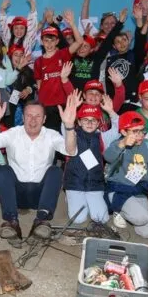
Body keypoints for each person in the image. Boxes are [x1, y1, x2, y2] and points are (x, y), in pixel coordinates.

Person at [0, 95, 79, 242]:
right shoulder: (14, 133)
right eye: (29, 115)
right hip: (16, 195)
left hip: (41, 196)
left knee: (55, 171)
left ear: (44, 119)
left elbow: (71, 151)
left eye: (38, 116)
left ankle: (41, 220)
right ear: (23, 117)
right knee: (3, 170)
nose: (33, 120)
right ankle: (12, 221)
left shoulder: (51, 135)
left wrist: (69, 126)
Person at [63, 97, 121, 234]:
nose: (89, 123)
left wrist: (111, 111)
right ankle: (71, 196)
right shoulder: (72, 134)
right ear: (78, 122)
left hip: (95, 184)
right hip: (74, 183)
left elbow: (118, 129)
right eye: (85, 119)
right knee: (78, 219)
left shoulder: (102, 137)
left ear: (98, 124)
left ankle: (88, 201)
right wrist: (72, 110)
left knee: (101, 218)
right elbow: (65, 125)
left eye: (93, 120)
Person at [104, 111, 148, 239]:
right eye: (135, 131)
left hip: (138, 189)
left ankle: (130, 209)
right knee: (142, 217)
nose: (140, 135)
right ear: (124, 132)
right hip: (119, 188)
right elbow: (108, 157)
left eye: (142, 131)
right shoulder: (118, 144)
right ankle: (117, 209)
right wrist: (122, 144)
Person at [34, 10, 84, 131]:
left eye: (52, 40)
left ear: (57, 41)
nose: (49, 44)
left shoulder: (63, 54)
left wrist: (72, 24)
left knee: (65, 135)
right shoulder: (38, 61)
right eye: (46, 40)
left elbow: (79, 42)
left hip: (63, 103)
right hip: (46, 105)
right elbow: (39, 85)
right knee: (48, 136)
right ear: (42, 42)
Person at [5, 45, 36, 127]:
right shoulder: (5, 69)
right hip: (8, 104)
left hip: (23, 104)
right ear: (10, 56)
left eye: (21, 55)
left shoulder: (28, 70)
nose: (18, 58)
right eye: (16, 55)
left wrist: (29, 89)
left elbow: (34, 84)